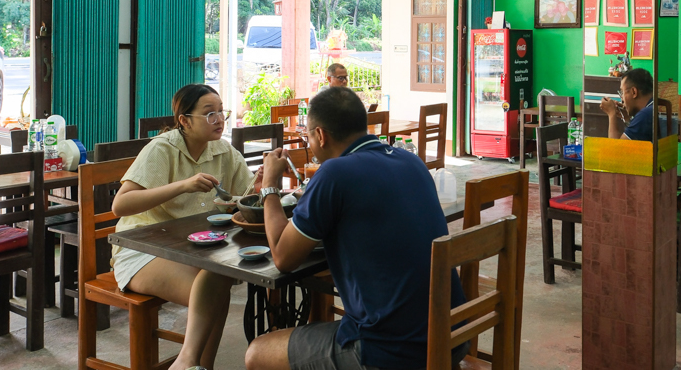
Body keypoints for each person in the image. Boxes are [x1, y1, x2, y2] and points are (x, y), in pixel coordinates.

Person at [245, 87, 469, 370]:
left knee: (257, 354)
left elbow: (282, 257)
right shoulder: (411, 161)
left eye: (308, 136)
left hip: (393, 351)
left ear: (321, 135)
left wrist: (269, 186)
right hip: (452, 336)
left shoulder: (333, 174)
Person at [111, 84, 257, 370]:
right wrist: (182, 186)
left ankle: (195, 366)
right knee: (213, 292)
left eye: (221, 111)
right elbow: (121, 205)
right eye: (210, 113)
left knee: (219, 278)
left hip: (190, 250)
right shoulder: (162, 148)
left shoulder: (223, 150)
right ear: (185, 121)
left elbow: (245, 196)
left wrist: (261, 185)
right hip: (141, 251)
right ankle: (189, 363)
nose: (219, 119)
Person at [599, 67, 657, 142]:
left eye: (622, 92)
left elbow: (616, 148)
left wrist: (611, 114)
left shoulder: (645, 115)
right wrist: (627, 119)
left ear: (634, 92)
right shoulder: (653, 108)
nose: (622, 98)